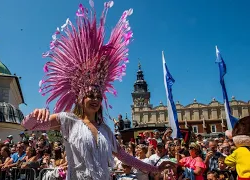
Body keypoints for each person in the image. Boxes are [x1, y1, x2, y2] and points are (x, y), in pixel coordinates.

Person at [21, 1, 175, 179]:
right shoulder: (67, 121)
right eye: (90, 95)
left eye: (98, 96)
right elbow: (28, 127)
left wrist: (156, 168)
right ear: (80, 98)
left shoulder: (106, 131)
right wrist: (34, 115)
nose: (95, 99)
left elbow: (125, 157)